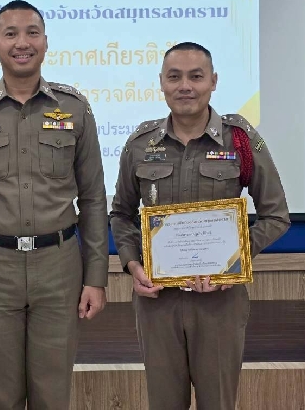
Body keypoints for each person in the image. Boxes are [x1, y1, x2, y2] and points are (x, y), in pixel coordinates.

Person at [0, 0, 109, 409]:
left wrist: (97, 277)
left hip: (59, 266)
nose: (22, 43)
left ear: (46, 42)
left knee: (53, 393)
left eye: (32, 33)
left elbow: (93, 198)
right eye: (10, 34)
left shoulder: (73, 108)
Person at [110, 41, 290, 410]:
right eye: (174, 77)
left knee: (218, 403)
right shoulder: (141, 143)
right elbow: (121, 214)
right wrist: (132, 265)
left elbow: (276, 215)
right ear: (161, 82)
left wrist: (233, 262)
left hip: (219, 303)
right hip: (158, 302)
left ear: (213, 81)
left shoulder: (240, 140)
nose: (185, 86)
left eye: (196, 77)